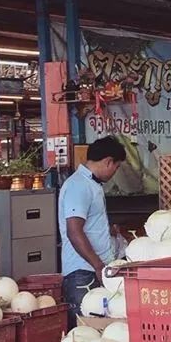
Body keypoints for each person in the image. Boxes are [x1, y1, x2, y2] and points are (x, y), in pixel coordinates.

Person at [59, 135, 126, 322]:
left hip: (94, 269)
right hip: (82, 272)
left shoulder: (91, 184)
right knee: (86, 329)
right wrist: (98, 265)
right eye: (117, 167)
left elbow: (87, 225)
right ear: (108, 161)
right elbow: (74, 231)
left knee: (100, 326)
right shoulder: (79, 186)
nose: (115, 172)